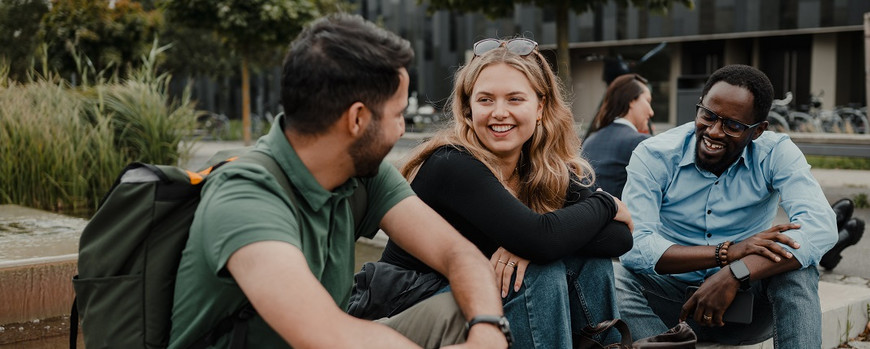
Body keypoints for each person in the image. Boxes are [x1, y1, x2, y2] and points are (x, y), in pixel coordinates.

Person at [168, 14, 510, 349]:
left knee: (462, 311)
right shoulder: (244, 199)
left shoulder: (362, 173)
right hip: (322, 338)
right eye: (398, 114)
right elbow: (328, 336)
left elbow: (458, 253)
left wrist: (490, 330)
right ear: (358, 119)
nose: (403, 129)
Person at [349, 37, 634, 348]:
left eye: (514, 99)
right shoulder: (451, 164)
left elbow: (618, 240)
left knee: (590, 263)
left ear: (539, 107)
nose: (499, 112)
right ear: (469, 109)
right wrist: (605, 203)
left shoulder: (546, 168)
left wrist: (537, 241)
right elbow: (539, 240)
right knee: (540, 271)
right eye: (485, 100)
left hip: (475, 302)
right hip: (408, 311)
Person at [614, 64, 838, 347]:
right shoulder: (654, 154)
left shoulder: (775, 152)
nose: (715, 132)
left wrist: (736, 271)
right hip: (673, 306)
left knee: (797, 268)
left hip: (746, 306)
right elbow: (636, 247)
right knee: (613, 278)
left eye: (733, 126)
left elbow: (821, 226)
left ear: (757, 131)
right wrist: (725, 253)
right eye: (708, 115)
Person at [581, 73, 654, 198]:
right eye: (647, 101)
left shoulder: (589, 141)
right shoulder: (640, 142)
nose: (651, 112)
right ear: (632, 100)